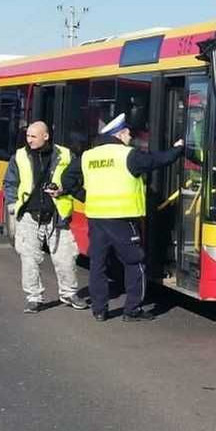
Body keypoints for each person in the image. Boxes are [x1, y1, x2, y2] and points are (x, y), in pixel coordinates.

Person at [64, 113, 184, 322]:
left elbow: (67, 180)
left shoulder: (88, 156)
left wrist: (85, 196)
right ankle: (132, 309)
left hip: (96, 218)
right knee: (134, 262)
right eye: (128, 133)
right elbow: (158, 160)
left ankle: (100, 310)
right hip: (123, 218)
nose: (130, 137)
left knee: (98, 264)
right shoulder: (127, 155)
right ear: (119, 134)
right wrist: (178, 148)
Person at [2, 121, 87, 314]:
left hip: (58, 214)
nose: (28, 140)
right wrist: (13, 205)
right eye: (28, 136)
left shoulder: (66, 155)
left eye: (33, 136)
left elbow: (76, 179)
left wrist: (62, 190)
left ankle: (69, 293)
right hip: (29, 216)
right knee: (29, 258)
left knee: (66, 257)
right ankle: (34, 298)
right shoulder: (20, 156)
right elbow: (10, 182)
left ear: (46, 136)